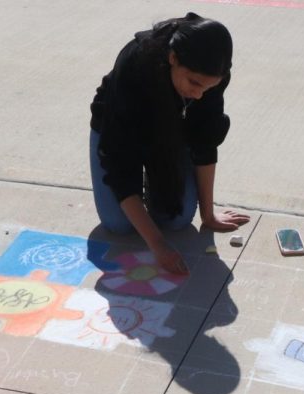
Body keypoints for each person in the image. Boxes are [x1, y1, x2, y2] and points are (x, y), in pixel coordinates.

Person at [89, 12, 250, 274]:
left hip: (171, 134)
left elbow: (204, 139)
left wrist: (208, 216)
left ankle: (156, 183)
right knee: (117, 224)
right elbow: (118, 158)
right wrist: (158, 244)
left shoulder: (212, 74)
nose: (198, 94)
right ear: (173, 58)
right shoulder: (135, 64)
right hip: (117, 129)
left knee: (177, 219)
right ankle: (146, 187)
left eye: (207, 88)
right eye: (194, 83)